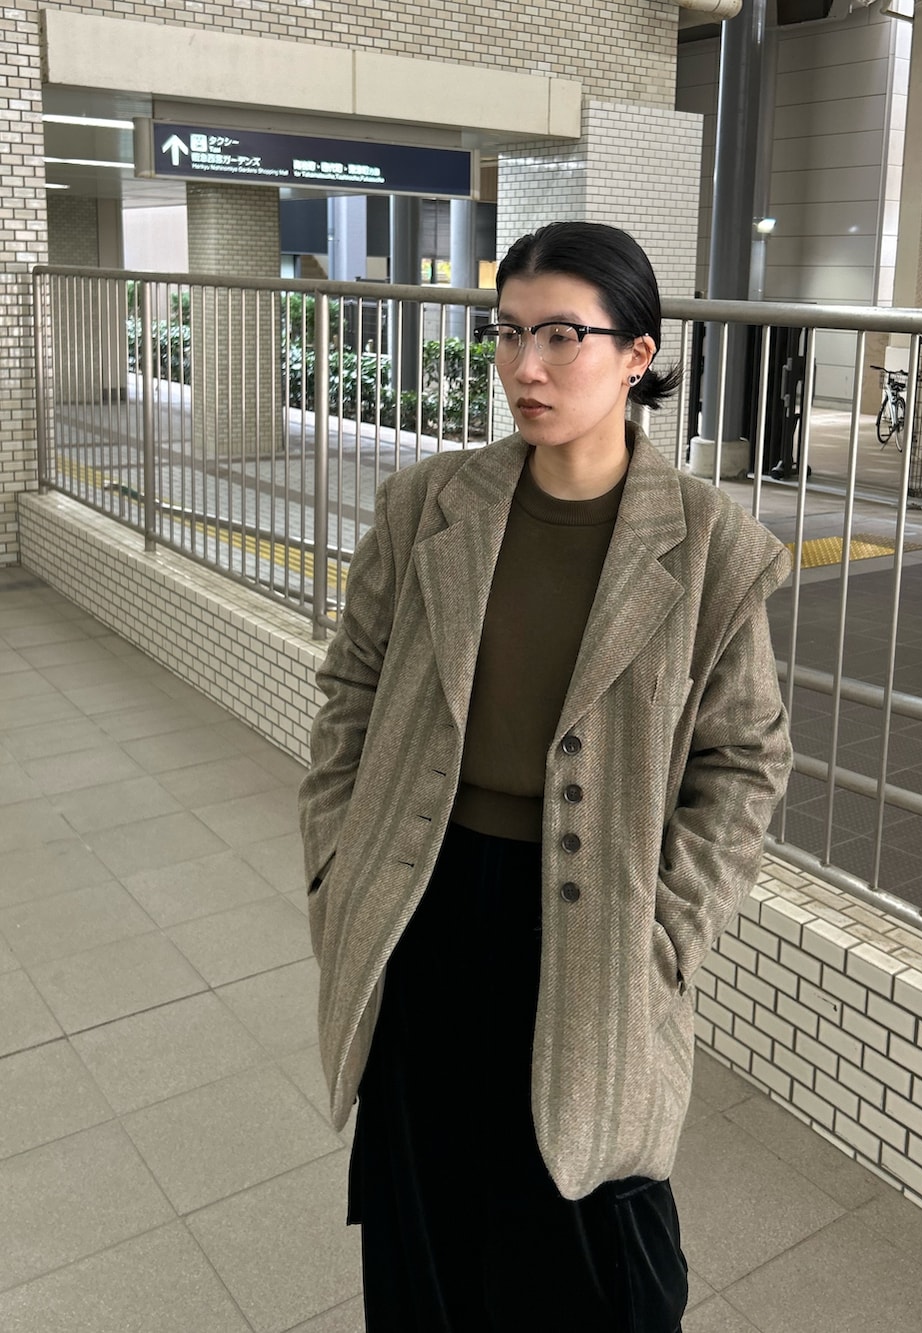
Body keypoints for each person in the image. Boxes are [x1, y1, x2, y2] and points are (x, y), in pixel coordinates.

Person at [299, 220, 792, 1332]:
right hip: (423, 903)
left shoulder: (709, 546)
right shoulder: (429, 507)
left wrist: (669, 931)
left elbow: (744, 757)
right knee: (426, 1235)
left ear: (637, 354)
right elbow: (350, 693)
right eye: (508, 332)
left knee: (595, 1247)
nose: (526, 366)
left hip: (598, 921)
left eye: (562, 335)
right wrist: (336, 865)